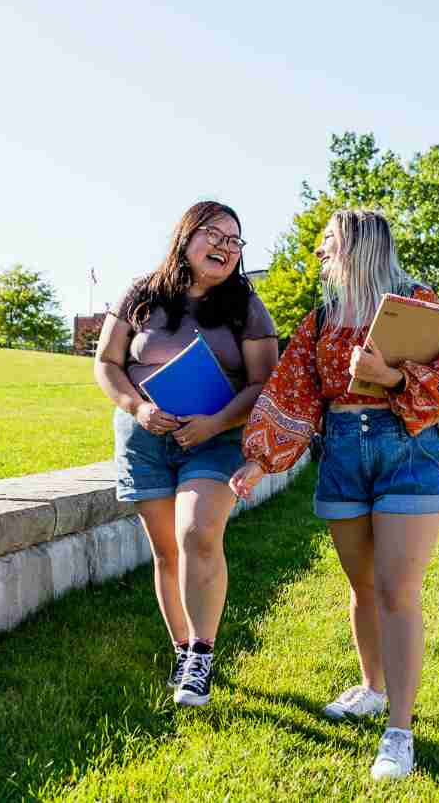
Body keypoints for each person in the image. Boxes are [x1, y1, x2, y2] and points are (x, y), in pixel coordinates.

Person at [230, 209, 439, 781]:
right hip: (341, 454)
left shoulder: (418, 304)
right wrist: (262, 462)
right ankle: (371, 688)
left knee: (398, 591)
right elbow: (294, 390)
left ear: (360, 246)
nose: (318, 254)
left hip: (408, 450)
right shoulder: (323, 320)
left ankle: (399, 732)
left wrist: (388, 377)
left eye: (328, 243)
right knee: (363, 587)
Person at [94, 200, 279, 707]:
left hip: (215, 437)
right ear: (186, 235)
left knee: (197, 531)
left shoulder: (245, 305)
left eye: (234, 241)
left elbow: (264, 382)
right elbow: (107, 364)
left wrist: (216, 423)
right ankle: (180, 649)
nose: (225, 247)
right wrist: (137, 409)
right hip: (145, 437)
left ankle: (202, 654)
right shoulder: (141, 293)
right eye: (214, 235)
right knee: (165, 551)